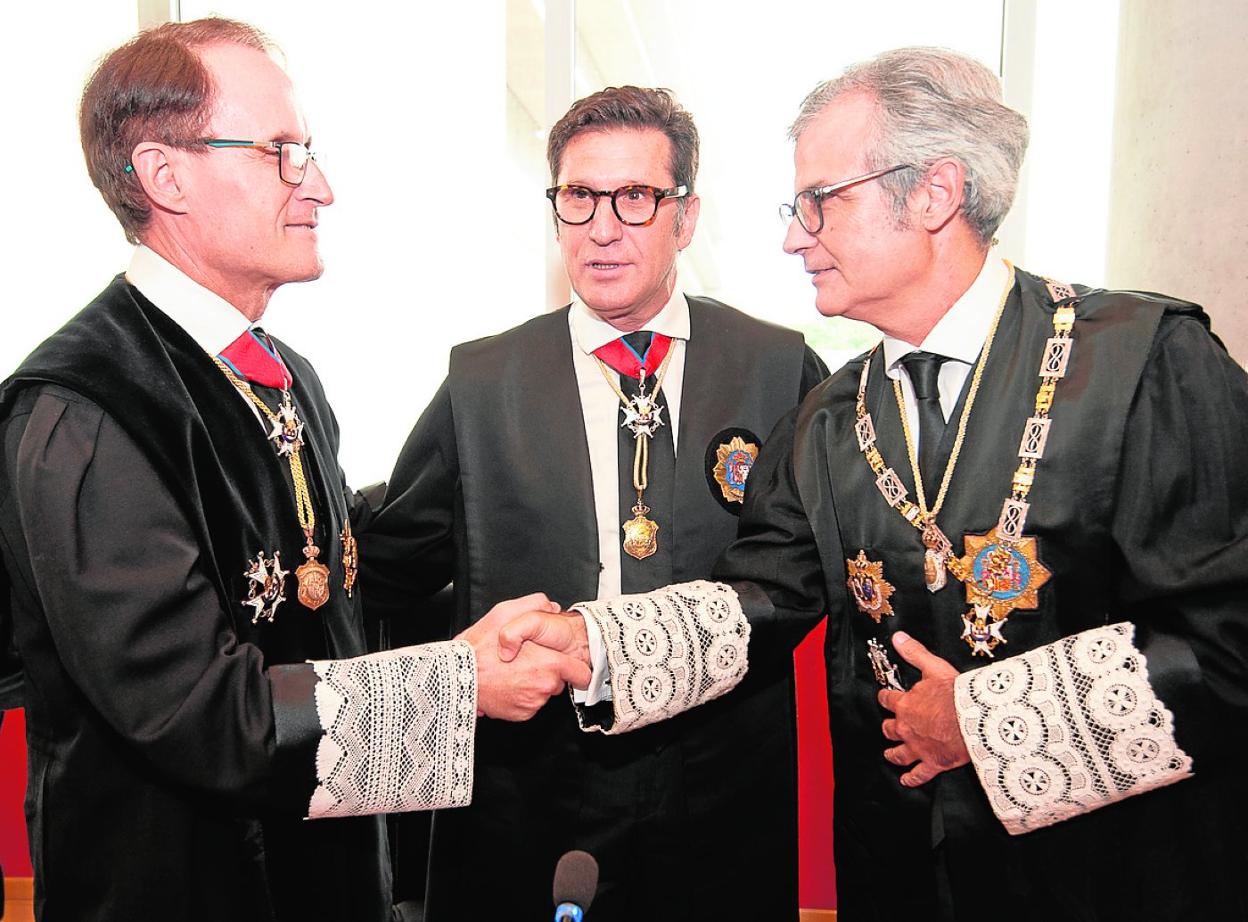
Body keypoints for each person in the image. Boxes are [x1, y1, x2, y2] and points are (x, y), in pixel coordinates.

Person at [547, 48, 1248, 919]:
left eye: (818, 202)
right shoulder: (830, 417)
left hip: (1113, 875)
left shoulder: (1146, 364)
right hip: (903, 874)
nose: (793, 236)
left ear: (933, 193)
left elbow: (1229, 647)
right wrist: (593, 647)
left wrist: (986, 722)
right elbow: (764, 595)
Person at [0, 19, 587, 922]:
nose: (321, 185)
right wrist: (457, 684)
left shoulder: (280, 375)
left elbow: (319, 586)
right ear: (165, 177)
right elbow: (197, 712)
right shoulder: (83, 409)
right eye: (282, 151)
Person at [361, 86, 826, 920]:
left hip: (722, 784)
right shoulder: (482, 383)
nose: (602, 228)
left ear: (685, 217)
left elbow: (805, 576)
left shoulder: (778, 366)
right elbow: (395, 564)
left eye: (635, 198)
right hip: (534, 786)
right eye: (578, 197)